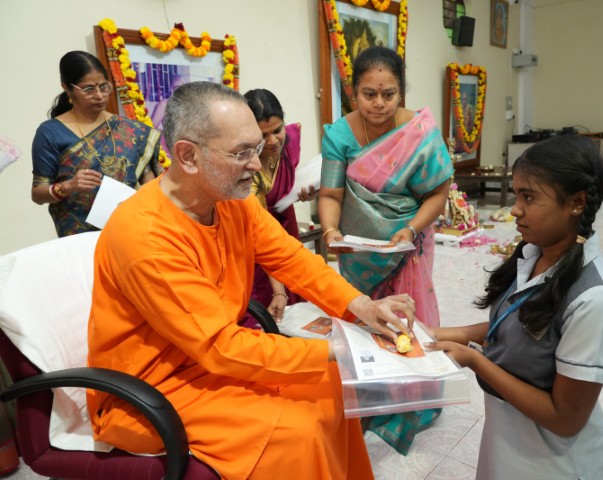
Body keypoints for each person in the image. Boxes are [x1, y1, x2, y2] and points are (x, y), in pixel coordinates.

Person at [86, 81, 416, 480]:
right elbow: (219, 347)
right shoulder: (145, 236)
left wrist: (360, 306)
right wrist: (345, 348)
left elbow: (291, 258)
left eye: (257, 149)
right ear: (188, 156)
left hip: (212, 362)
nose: (257, 165)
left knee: (332, 382)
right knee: (299, 429)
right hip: (155, 387)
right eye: (241, 153)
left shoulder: (232, 201)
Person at [427, 135, 603, 479]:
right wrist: (431, 334)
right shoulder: (536, 255)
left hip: (556, 460)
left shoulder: (594, 300)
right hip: (512, 438)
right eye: (516, 195)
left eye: (529, 197)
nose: (515, 209)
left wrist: (475, 360)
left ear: (576, 202)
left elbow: (565, 419)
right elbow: (517, 324)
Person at [318, 45, 454, 454]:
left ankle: (413, 401)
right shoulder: (339, 135)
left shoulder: (418, 132)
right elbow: (331, 193)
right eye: (369, 94)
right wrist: (330, 231)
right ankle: (373, 397)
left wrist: (410, 229)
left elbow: (438, 191)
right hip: (358, 251)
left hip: (407, 245)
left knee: (407, 319)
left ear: (401, 92)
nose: (378, 103)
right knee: (365, 319)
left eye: (388, 94)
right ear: (353, 93)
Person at [31, 51, 162, 237]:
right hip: (78, 239)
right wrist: (68, 186)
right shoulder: (51, 132)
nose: (99, 95)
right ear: (66, 88)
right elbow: (38, 194)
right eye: (88, 89)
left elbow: (151, 187)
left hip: (129, 230)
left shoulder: (132, 131)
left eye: (103, 86)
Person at [244, 88, 315, 322]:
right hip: (255, 236)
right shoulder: (246, 168)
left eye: (277, 130)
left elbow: (287, 179)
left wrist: (303, 193)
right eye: (263, 135)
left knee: (296, 303)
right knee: (262, 310)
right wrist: (278, 289)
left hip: (286, 224)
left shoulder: (290, 141)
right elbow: (261, 232)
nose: (273, 141)